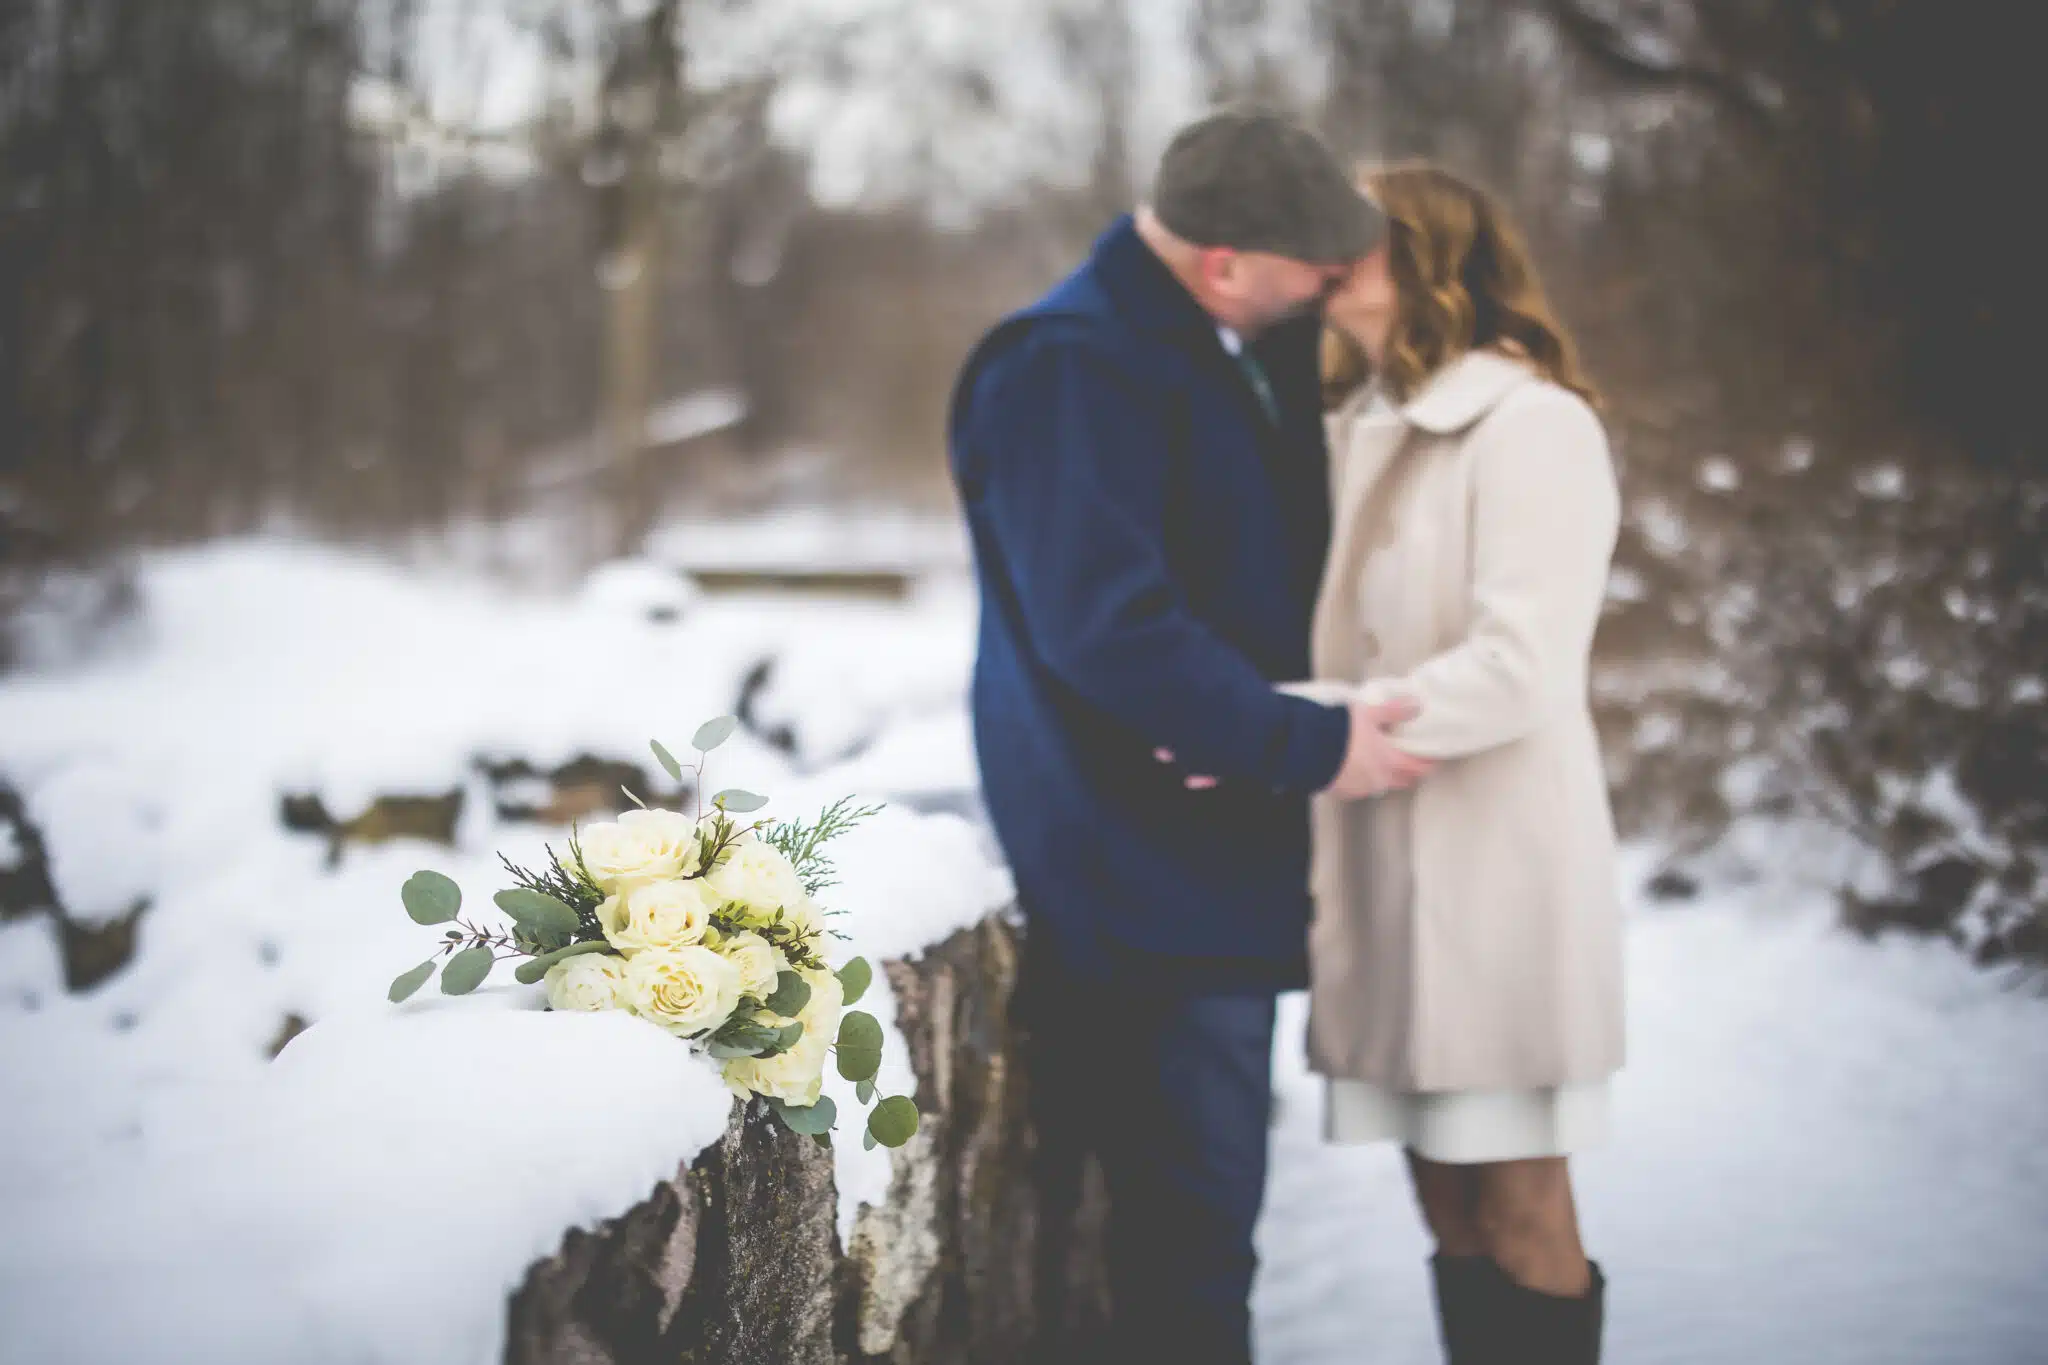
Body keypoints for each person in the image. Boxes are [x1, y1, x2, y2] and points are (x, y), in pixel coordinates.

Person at [946, 109, 1424, 1364]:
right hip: (1136, 873)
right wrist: (1310, 746)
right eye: (1312, 264)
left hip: (1195, 852)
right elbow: (1109, 630)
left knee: (1196, 1233)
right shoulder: (1066, 363)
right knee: (1186, 1246)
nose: (1330, 285)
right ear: (1221, 261)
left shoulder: (1203, 345)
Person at [1296, 161, 1625, 1363]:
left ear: (1428, 257)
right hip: (1383, 862)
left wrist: (1319, 728)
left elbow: (1521, 663)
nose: (1317, 254)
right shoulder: (1353, 420)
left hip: (1497, 868)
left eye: (1351, 235)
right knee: (1438, 1199)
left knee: (1518, 1197)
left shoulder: (1535, 423)